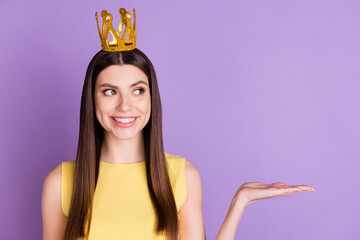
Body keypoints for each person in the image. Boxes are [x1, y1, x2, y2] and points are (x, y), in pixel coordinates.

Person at [41, 8, 315, 240]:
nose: (125, 106)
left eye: (137, 90)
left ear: (152, 97)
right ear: (92, 100)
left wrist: (239, 202)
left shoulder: (182, 176)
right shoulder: (60, 183)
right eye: (110, 91)